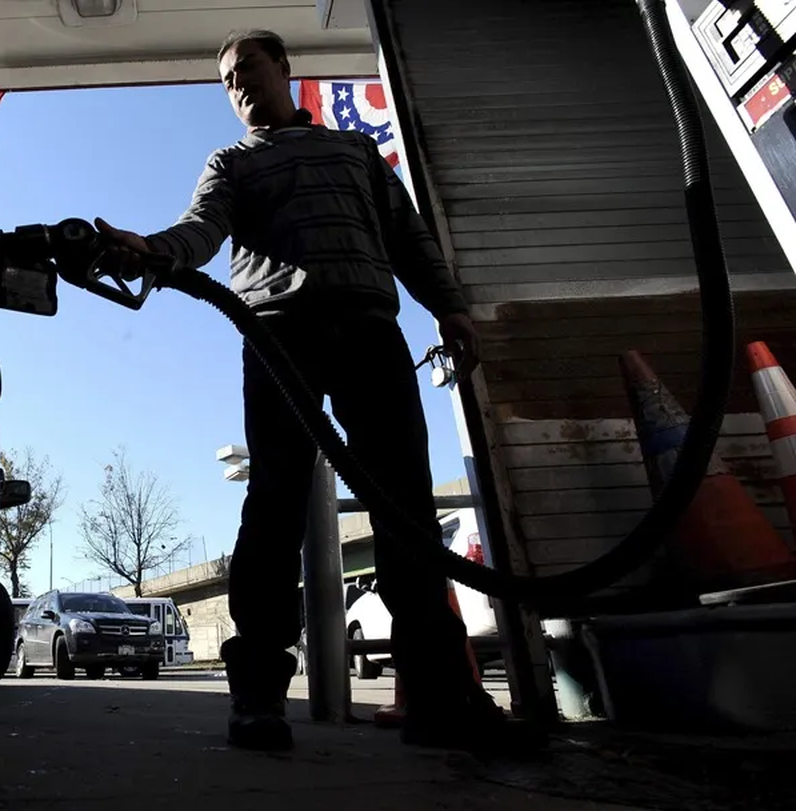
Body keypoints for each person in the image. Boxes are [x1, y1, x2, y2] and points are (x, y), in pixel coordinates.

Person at [96, 29, 537, 753]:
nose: (238, 86)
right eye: (228, 81)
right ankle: (259, 696)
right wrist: (149, 249)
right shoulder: (233, 161)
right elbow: (200, 231)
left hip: (370, 332)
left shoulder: (355, 152)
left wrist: (450, 305)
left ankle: (440, 698)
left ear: (283, 69)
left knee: (406, 508)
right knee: (275, 505)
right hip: (278, 342)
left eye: (247, 70)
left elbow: (409, 237)